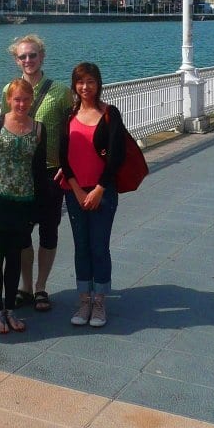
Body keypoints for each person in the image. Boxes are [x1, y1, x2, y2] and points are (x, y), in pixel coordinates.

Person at [1, 34, 72, 312]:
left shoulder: (61, 92)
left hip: (51, 173)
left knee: (49, 231)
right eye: (23, 56)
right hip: (20, 175)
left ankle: (41, 286)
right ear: (16, 60)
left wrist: (67, 167)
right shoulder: (9, 89)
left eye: (33, 55)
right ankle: (26, 286)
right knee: (21, 233)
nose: (28, 60)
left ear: (42, 57)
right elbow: (4, 129)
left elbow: (72, 132)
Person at [0, 78, 47, 335]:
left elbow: (39, 170)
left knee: (15, 257)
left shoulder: (38, 128)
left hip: (23, 202)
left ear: (31, 101)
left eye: (26, 100)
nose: (21, 104)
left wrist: (39, 206)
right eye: (17, 99)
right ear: (9, 100)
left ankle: (10, 310)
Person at [59, 62, 125, 328]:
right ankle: (84, 299)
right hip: (74, 192)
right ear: (74, 85)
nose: (85, 87)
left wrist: (99, 189)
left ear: (98, 84)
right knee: (81, 247)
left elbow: (116, 157)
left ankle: (99, 301)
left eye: (90, 82)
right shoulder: (68, 115)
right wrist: (75, 189)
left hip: (103, 192)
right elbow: (63, 156)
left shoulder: (110, 114)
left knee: (99, 246)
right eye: (80, 82)